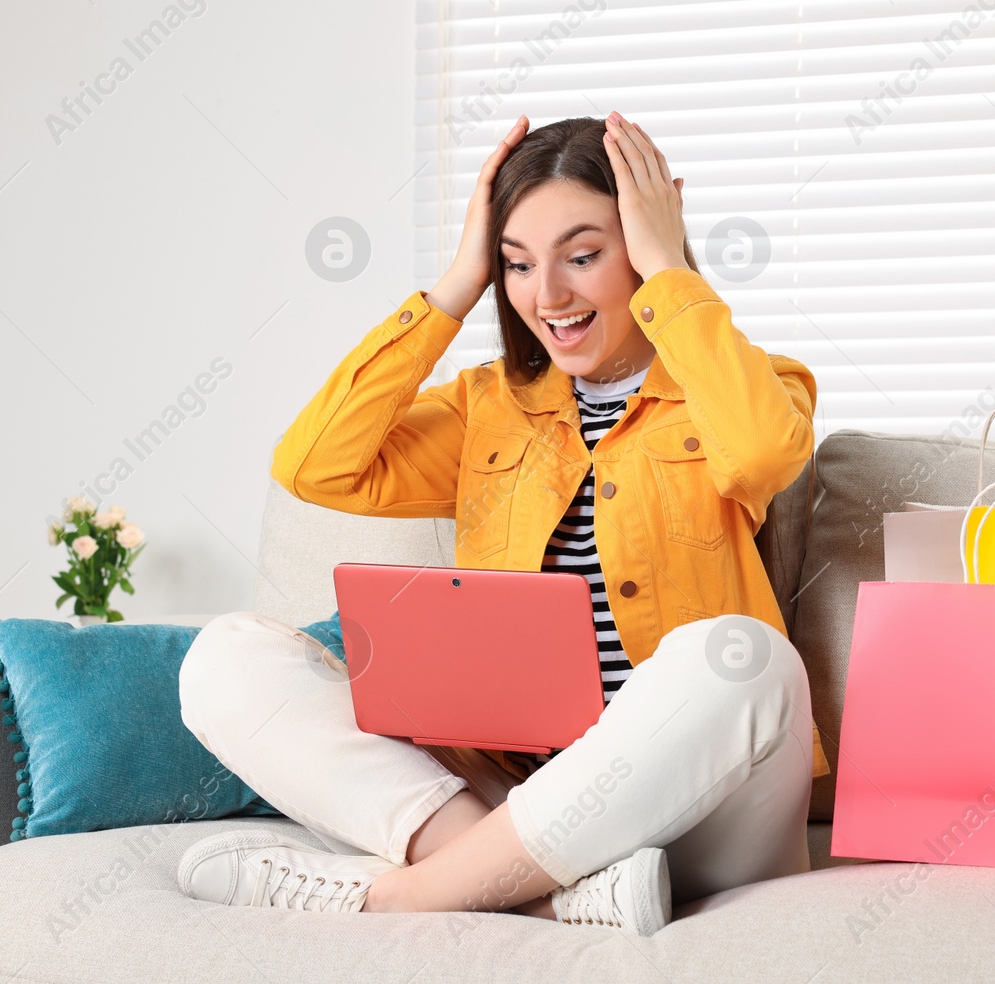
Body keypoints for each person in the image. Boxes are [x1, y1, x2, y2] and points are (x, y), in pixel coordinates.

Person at [175, 111, 823, 936]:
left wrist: (667, 265)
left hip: (703, 813)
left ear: (647, 239)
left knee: (744, 658)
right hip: (517, 794)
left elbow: (765, 452)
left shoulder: (758, 384)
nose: (548, 296)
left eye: (584, 256)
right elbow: (315, 464)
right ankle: (544, 890)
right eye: (517, 264)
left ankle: (400, 895)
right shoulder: (489, 408)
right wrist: (453, 285)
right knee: (226, 658)